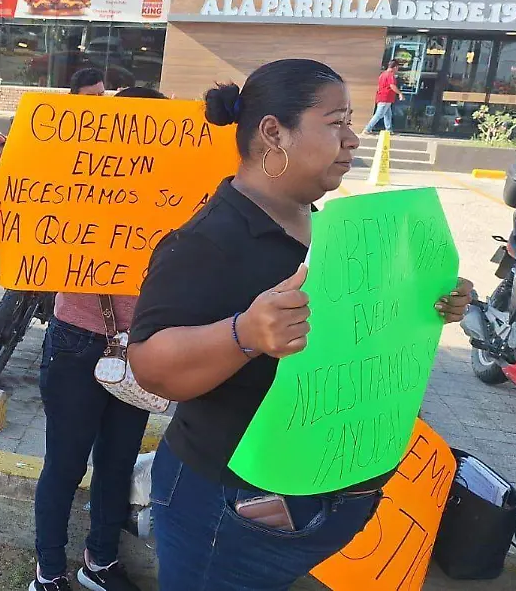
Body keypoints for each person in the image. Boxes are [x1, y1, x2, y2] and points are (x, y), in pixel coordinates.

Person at [124, 59, 474, 590]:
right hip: (235, 508)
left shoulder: (330, 225)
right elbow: (149, 366)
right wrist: (244, 334)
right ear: (273, 133)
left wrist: (428, 302)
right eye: (336, 123)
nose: (353, 139)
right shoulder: (207, 242)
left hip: (319, 500)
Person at [0, 80, 164, 591]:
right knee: (64, 463)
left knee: (118, 461)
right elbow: (26, 273)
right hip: (75, 341)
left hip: (143, 350)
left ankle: (99, 562)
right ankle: (49, 571)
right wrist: (11, 232)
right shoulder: (78, 179)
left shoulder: (180, 196)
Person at [362, 59, 404, 135]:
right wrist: (400, 93)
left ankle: (389, 130)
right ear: (395, 67)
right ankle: (367, 129)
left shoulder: (383, 74)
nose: (397, 69)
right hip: (386, 98)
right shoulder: (390, 75)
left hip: (383, 97)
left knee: (388, 114)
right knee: (379, 114)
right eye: (397, 67)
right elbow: (392, 85)